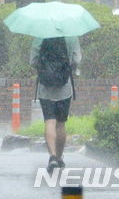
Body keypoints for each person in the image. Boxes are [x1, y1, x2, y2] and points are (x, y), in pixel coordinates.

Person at [30, 36, 81, 173]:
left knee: (49, 121)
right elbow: (76, 60)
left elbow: (33, 61)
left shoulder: (40, 36)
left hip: (45, 87)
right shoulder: (71, 36)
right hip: (64, 87)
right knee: (61, 123)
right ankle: (59, 158)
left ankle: (51, 156)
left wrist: (46, 69)